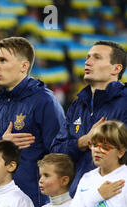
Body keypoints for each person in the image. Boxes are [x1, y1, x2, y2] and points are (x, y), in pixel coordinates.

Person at [0, 36, 66, 207]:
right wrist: (1, 145)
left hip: (35, 205)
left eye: (2, 60)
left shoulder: (44, 101)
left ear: (24, 66)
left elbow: (61, 155)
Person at [51, 41, 127, 196]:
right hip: (76, 199)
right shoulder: (77, 104)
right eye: (88, 57)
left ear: (116, 68)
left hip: (114, 200)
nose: (87, 62)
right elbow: (55, 153)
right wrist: (83, 142)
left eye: (97, 58)